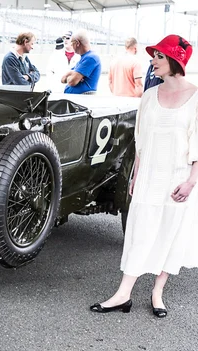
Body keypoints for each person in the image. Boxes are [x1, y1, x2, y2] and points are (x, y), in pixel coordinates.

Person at [91, 35, 198, 319]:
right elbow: (140, 141)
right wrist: (135, 176)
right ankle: (123, 294)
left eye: (159, 57)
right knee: (140, 232)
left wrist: (191, 182)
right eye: (154, 56)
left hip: (179, 178)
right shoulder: (150, 95)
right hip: (149, 174)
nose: (153, 61)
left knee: (171, 234)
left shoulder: (196, 97)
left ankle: (157, 293)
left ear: (175, 61)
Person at [62, 29, 101, 94]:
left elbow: (72, 81)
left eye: (72, 42)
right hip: (76, 99)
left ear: (77, 43)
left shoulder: (91, 58)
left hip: (82, 100)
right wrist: (75, 75)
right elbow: (63, 79)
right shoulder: (83, 58)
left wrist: (73, 76)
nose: (71, 45)